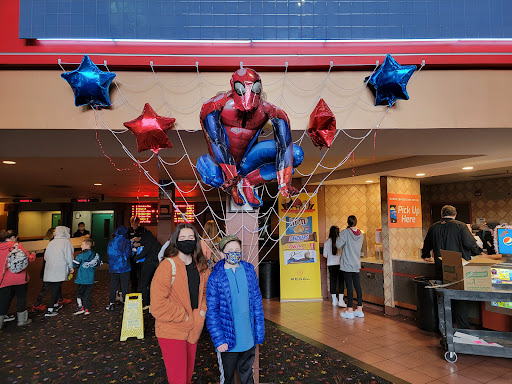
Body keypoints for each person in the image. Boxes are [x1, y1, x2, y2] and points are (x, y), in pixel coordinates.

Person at [150, 223, 210, 384]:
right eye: (183, 238)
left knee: (187, 375)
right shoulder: (167, 265)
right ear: (176, 241)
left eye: (191, 238)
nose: (187, 241)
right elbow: (157, 304)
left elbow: (206, 293)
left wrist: (200, 313)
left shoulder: (201, 265)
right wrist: (183, 316)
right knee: (178, 378)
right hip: (172, 328)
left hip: (194, 327)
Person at [206, 235, 265, 384]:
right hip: (227, 341)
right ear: (221, 254)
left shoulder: (249, 271)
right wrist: (219, 339)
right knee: (228, 378)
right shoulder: (215, 277)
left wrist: (259, 332)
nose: (234, 253)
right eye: (230, 250)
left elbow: (257, 303)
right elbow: (212, 312)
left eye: (237, 250)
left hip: (248, 338)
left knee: (247, 377)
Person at [421, 205, 482, 328]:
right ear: (455, 214)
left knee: (444, 297)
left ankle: (444, 327)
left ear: (442, 214)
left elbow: (427, 245)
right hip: (458, 268)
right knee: (459, 298)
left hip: (440, 268)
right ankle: (463, 327)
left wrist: (426, 255)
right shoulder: (461, 226)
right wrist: (479, 252)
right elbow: (470, 244)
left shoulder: (433, 227)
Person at [0, 230, 36, 329]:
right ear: (12, 237)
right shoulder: (17, 246)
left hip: (4, 279)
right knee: (21, 298)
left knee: (3, 300)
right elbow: (29, 259)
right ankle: (22, 320)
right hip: (20, 278)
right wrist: (33, 255)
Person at [43, 226, 75, 317]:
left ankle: (55, 304)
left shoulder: (51, 242)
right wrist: (71, 268)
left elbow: (46, 257)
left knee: (54, 287)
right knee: (56, 287)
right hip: (60, 268)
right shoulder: (66, 243)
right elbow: (69, 257)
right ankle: (50, 309)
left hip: (50, 268)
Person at [337, 216, 365, 319]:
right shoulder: (361, 234)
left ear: (347, 222)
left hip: (347, 264)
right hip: (356, 263)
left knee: (349, 287)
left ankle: (349, 311)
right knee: (358, 286)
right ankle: (359, 310)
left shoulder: (345, 232)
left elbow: (338, 245)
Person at [132, 230, 161, 310]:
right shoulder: (157, 243)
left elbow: (144, 253)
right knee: (152, 284)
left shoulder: (148, 243)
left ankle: (146, 303)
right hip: (156, 265)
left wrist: (134, 258)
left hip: (148, 265)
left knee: (144, 284)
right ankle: (153, 302)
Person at [106, 226, 132, 311]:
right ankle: (125, 303)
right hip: (124, 267)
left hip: (114, 267)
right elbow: (128, 254)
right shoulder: (126, 242)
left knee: (113, 286)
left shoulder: (111, 242)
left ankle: (111, 303)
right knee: (124, 286)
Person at [72, 237, 101, 315]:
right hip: (90, 278)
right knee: (88, 294)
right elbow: (99, 264)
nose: (81, 246)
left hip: (81, 278)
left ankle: (80, 307)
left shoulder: (81, 255)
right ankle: (87, 309)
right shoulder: (96, 254)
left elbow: (75, 264)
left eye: (82, 244)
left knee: (79, 294)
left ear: (87, 246)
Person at [323, 225, 346, 307]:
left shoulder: (326, 243)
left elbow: (325, 255)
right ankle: (341, 300)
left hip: (331, 264)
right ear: (338, 233)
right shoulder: (340, 242)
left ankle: (334, 300)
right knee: (340, 281)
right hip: (340, 264)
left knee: (333, 281)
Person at [127, 216, 145, 293]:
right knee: (133, 272)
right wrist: (132, 242)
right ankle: (134, 288)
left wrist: (140, 241)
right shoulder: (127, 230)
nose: (136, 226)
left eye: (137, 224)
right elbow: (125, 241)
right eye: (134, 224)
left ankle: (142, 287)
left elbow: (146, 239)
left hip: (140, 253)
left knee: (141, 272)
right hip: (131, 254)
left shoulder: (142, 229)